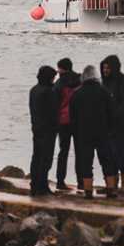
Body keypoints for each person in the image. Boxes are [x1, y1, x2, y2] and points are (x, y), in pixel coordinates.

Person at [69, 65, 117, 198]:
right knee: (107, 160)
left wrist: (76, 131)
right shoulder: (104, 92)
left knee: (86, 162)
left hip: (84, 133)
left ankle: (88, 191)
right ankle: (111, 189)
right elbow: (112, 113)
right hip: (102, 132)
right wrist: (110, 129)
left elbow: (72, 116)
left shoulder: (77, 94)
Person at [100, 55, 124, 192]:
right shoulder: (104, 82)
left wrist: (116, 116)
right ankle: (112, 183)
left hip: (119, 124)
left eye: (107, 68)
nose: (105, 70)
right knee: (108, 155)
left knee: (118, 152)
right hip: (105, 124)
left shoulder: (123, 81)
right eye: (103, 68)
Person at [28, 65, 58, 196]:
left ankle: (35, 184)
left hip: (36, 127)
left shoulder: (33, 90)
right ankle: (42, 186)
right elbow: (53, 112)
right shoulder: (49, 92)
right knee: (45, 159)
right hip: (48, 130)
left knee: (36, 157)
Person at [53, 58, 81, 191]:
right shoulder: (80, 81)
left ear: (62, 69)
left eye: (58, 69)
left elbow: (55, 104)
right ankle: (82, 181)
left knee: (63, 152)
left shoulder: (59, 84)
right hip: (78, 120)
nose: (57, 71)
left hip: (63, 121)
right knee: (81, 152)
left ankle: (60, 181)